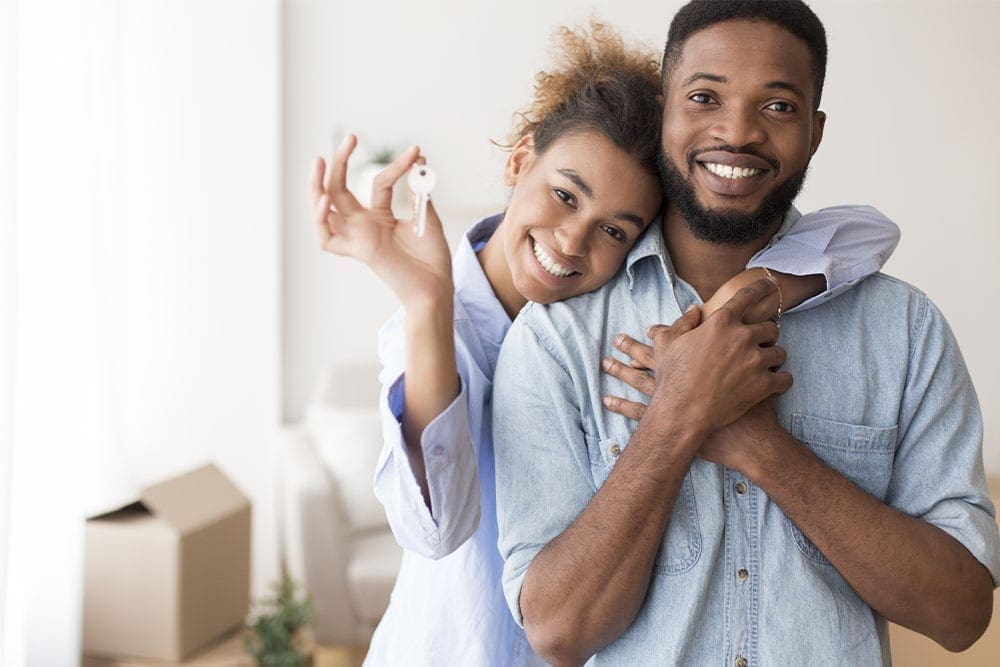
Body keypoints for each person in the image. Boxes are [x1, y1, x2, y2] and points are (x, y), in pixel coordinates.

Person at [311, 20, 900, 667]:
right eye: (565, 195)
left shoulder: (608, 314)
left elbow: (866, 233)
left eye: (614, 230)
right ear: (518, 158)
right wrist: (426, 303)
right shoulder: (438, 328)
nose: (570, 241)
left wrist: (743, 292)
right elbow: (435, 527)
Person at [492, 2, 1000, 665]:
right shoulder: (557, 335)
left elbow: (960, 613)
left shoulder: (905, 330)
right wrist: (677, 416)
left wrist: (758, 444)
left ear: (815, 133)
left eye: (779, 107)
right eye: (705, 96)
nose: (737, 132)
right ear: (665, 109)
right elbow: (558, 630)